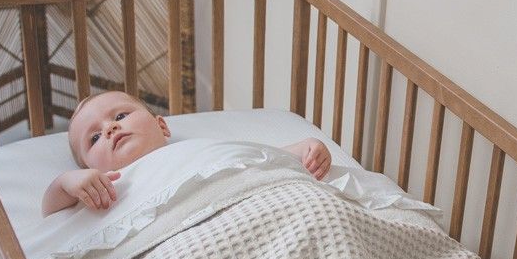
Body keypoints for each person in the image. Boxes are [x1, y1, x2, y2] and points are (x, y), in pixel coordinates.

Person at [42, 90, 331, 216]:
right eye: (94, 138)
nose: (109, 129)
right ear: (88, 167)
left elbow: (247, 159)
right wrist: (66, 182)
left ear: (162, 126)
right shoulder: (106, 188)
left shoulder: (194, 151)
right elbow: (52, 212)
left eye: (120, 116)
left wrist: (303, 149)